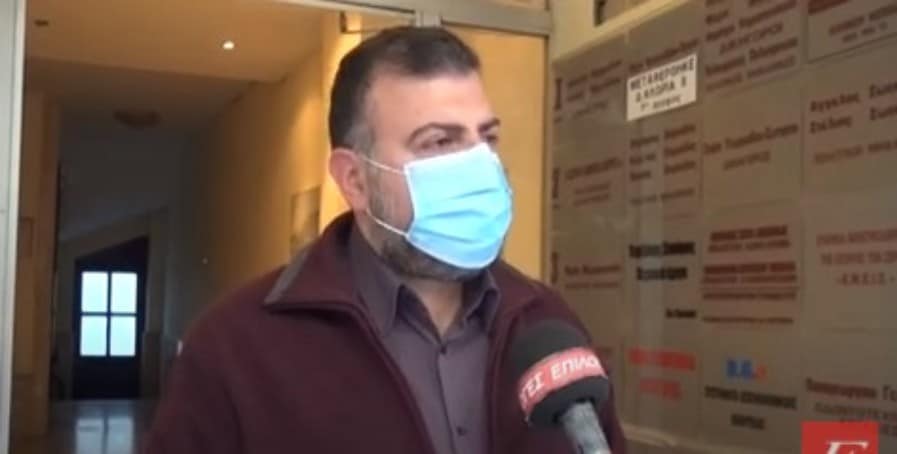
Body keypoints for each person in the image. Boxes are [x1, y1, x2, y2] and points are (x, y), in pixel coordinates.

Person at [143, 26, 626, 454]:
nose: (480, 166)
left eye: (487, 138)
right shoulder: (236, 350)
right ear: (354, 179)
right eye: (440, 142)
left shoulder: (548, 324)